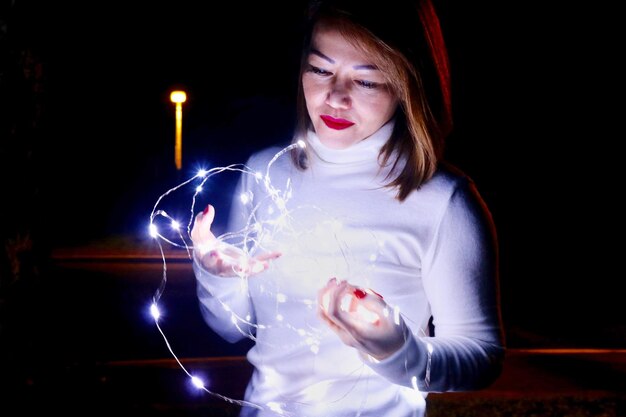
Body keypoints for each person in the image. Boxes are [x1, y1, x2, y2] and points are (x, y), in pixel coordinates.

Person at [190, 0, 505, 416]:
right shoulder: (266, 171)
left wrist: (399, 351)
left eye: (367, 81)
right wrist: (216, 276)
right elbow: (229, 329)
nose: (335, 97)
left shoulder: (441, 198)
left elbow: (481, 357)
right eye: (321, 70)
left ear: (408, 85)